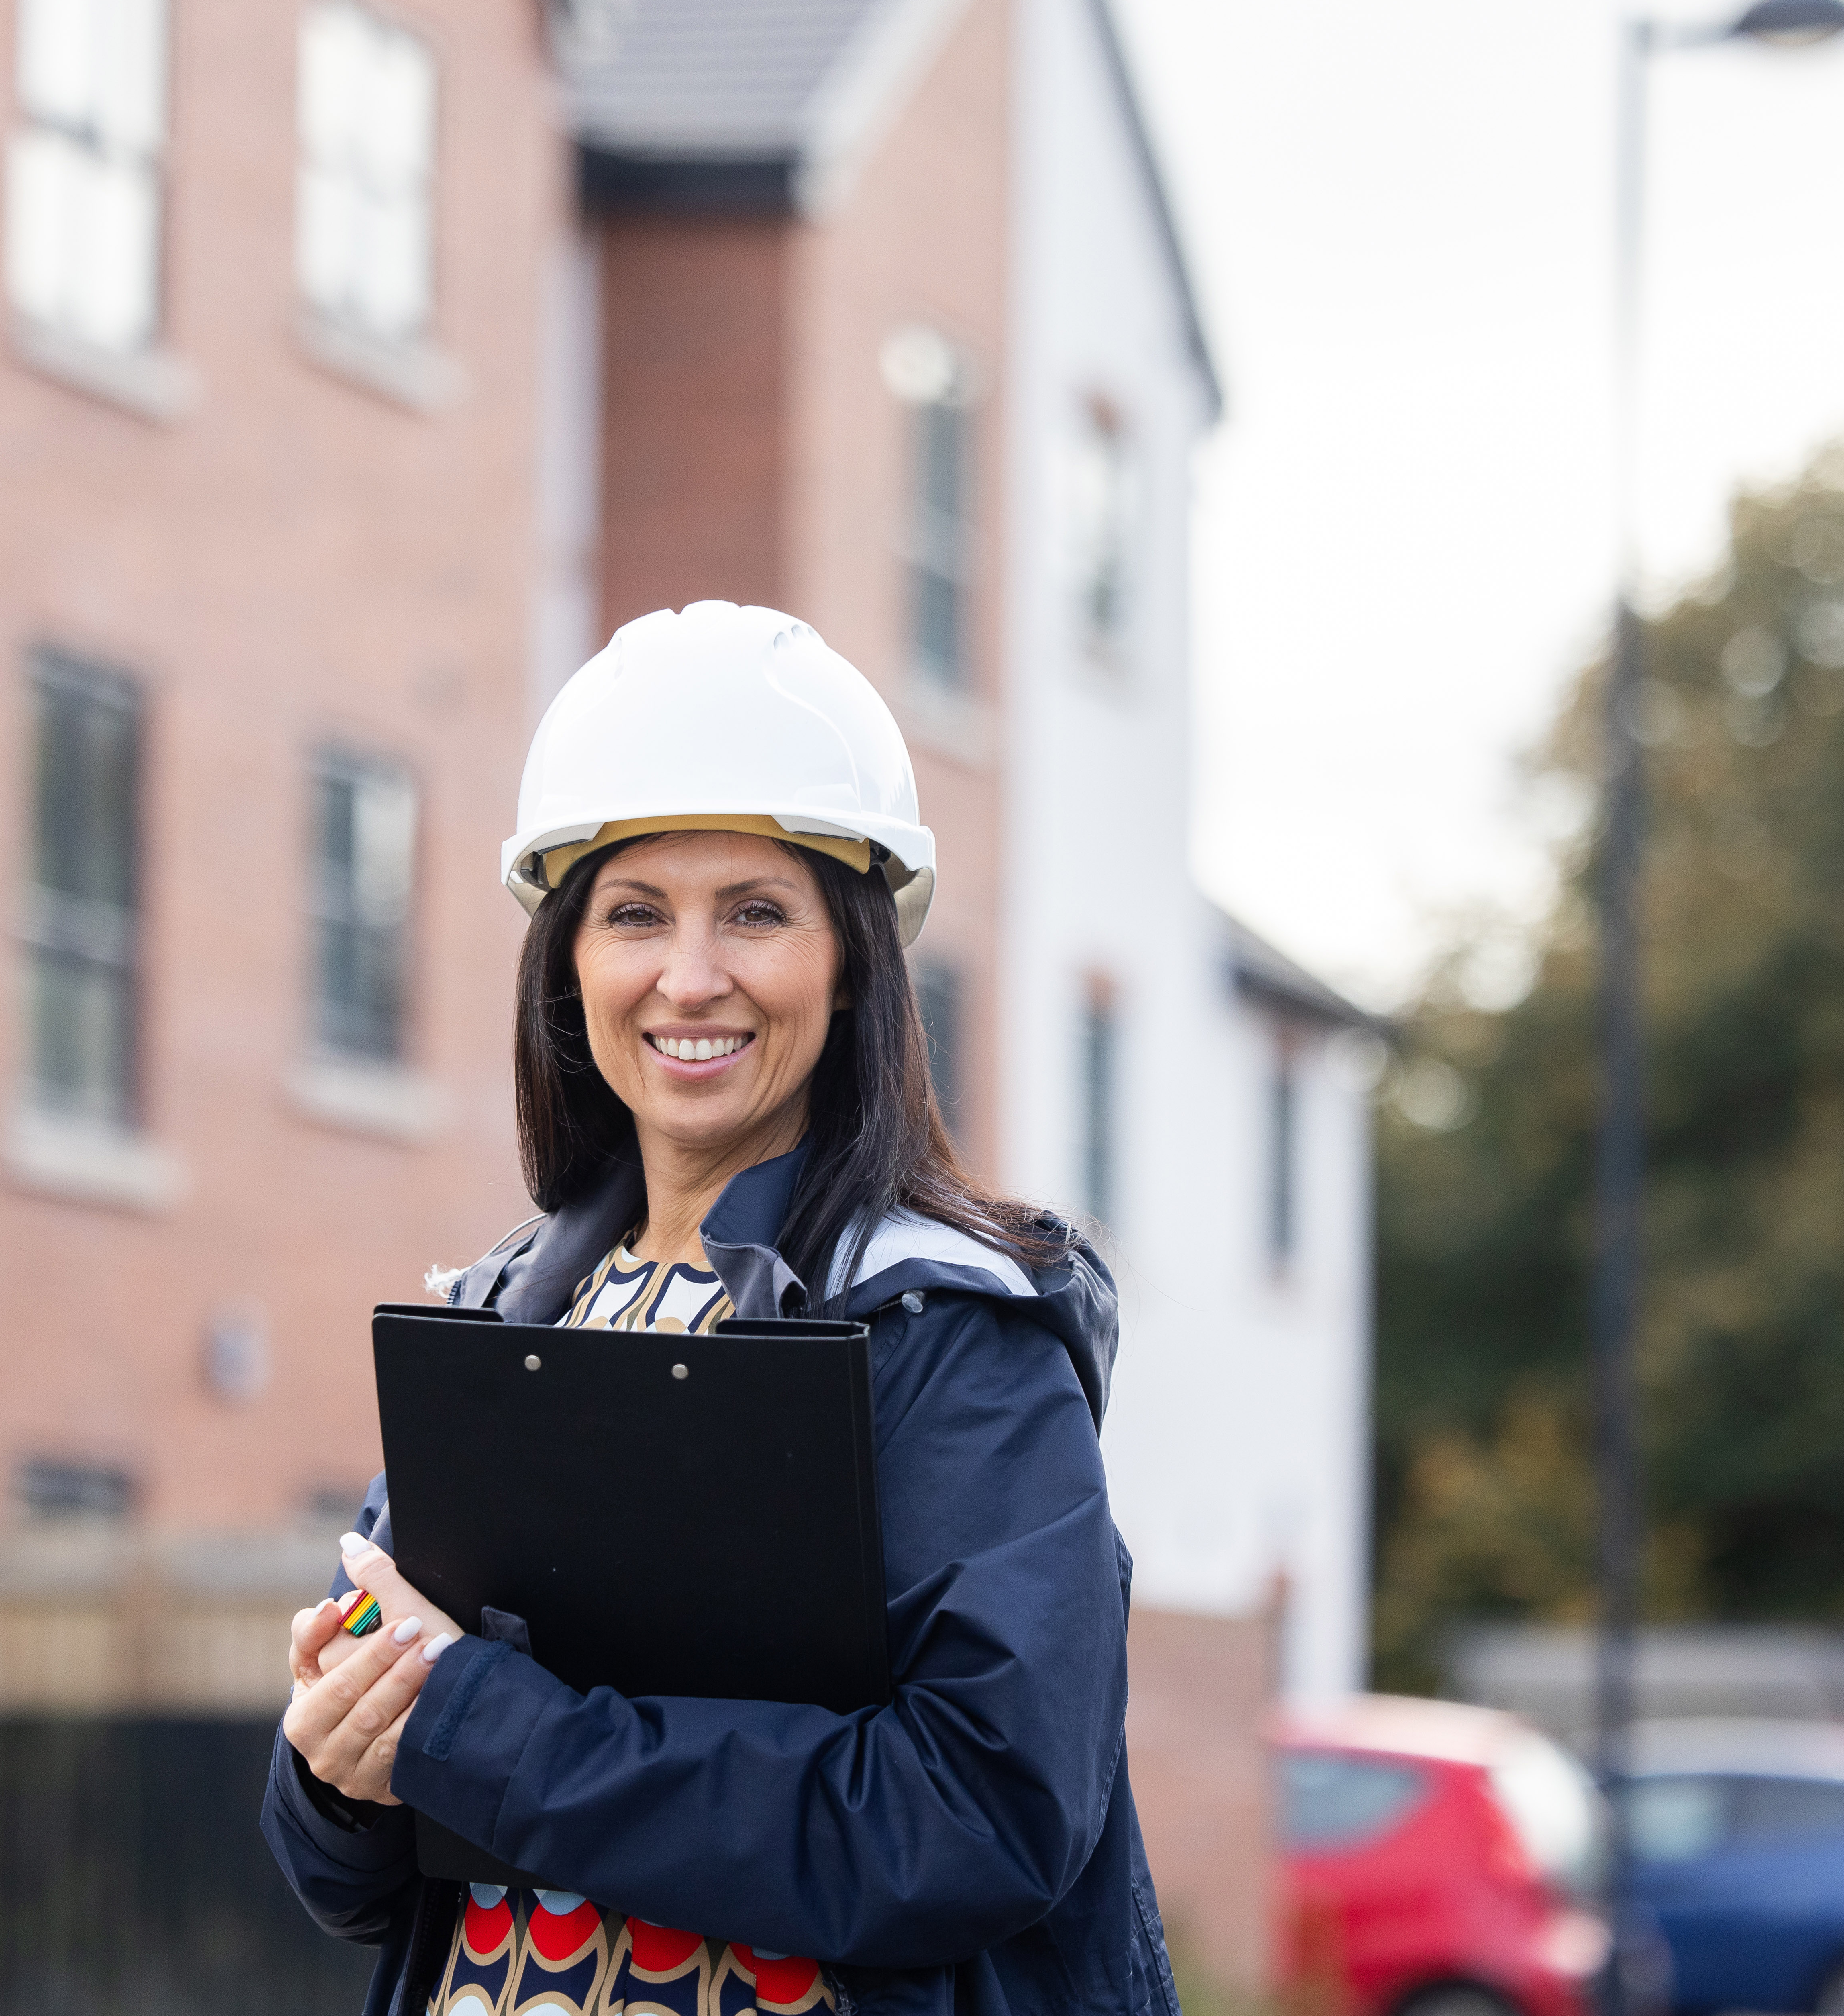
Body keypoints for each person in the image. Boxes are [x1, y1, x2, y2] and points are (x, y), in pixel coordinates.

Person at [260, 602, 1175, 2016]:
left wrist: (490, 1733)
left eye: (754, 911)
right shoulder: (514, 1311)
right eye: (636, 914)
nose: (690, 977)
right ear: (569, 961)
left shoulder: (943, 1330)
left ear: (852, 957)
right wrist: (342, 1763)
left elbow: (983, 1816)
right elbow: (360, 1880)